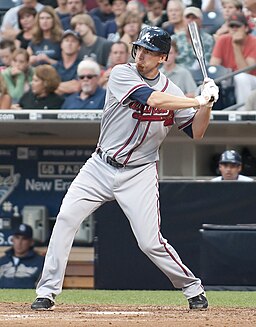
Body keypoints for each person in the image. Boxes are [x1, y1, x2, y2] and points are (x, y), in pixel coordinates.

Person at [30, 26, 219, 311]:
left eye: (149, 51)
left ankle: (192, 288)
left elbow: (196, 131)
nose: (141, 55)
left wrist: (207, 104)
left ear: (163, 58)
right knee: (66, 218)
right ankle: (46, 292)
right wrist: (196, 100)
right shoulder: (122, 73)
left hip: (140, 172)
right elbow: (151, 99)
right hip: (100, 166)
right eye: (140, 49)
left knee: (150, 242)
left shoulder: (174, 90)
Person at [210, 13, 256, 109]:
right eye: (231, 26)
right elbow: (214, 66)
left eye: (237, 26)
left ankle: (243, 113)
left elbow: (246, 71)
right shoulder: (223, 40)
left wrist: (236, 45)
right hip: (229, 78)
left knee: (241, 77)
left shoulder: (254, 42)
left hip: (252, 80)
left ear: (246, 28)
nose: (234, 29)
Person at [0, 223, 44, 288]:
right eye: (17, 238)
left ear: (31, 242)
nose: (19, 242)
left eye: (24, 239)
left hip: (28, 296)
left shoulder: (40, 261)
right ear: (12, 240)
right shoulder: (3, 260)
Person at [53, 29, 82, 96]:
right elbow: (47, 87)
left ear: (79, 47)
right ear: (61, 45)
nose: (69, 44)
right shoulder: (54, 67)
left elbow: (76, 86)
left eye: (73, 41)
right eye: (66, 40)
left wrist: (55, 87)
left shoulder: (82, 66)